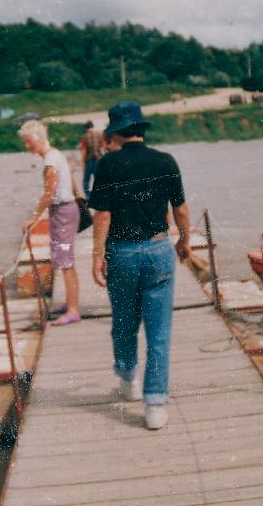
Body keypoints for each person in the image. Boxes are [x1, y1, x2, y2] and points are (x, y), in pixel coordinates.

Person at [88, 101, 191, 430]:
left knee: (124, 321)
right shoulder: (165, 160)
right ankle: (155, 405)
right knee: (159, 332)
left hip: (122, 253)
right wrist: (184, 240)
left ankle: (128, 378)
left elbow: (102, 215)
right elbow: (182, 209)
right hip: (160, 250)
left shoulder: (107, 165)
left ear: (116, 133)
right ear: (141, 130)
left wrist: (96, 255)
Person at [18, 120, 81, 326]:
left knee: (66, 262)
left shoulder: (50, 162)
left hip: (62, 213)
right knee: (64, 260)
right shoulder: (56, 155)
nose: (27, 147)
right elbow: (70, 180)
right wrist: (77, 195)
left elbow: (49, 192)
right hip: (65, 211)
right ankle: (69, 303)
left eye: (28, 142)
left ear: (37, 139)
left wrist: (34, 218)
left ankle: (73, 310)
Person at [79, 121, 105, 197]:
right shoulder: (99, 134)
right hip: (98, 159)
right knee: (98, 178)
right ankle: (100, 194)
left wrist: (82, 162)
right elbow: (103, 147)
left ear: (86, 128)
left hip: (89, 159)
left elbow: (84, 151)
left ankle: (88, 195)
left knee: (86, 179)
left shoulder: (85, 136)